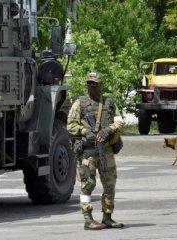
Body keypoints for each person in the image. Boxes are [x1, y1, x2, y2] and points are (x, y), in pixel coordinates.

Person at [67, 72, 124, 230]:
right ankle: (88, 218)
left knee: (109, 184)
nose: (91, 86)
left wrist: (108, 130)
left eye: (94, 83)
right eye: (89, 83)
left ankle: (107, 217)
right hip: (88, 151)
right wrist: (86, 132)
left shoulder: (110, 103)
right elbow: (70, 126)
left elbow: (119, 121)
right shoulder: (80, 103)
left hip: (106, 150)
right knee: (88, 184)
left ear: (101, 85)